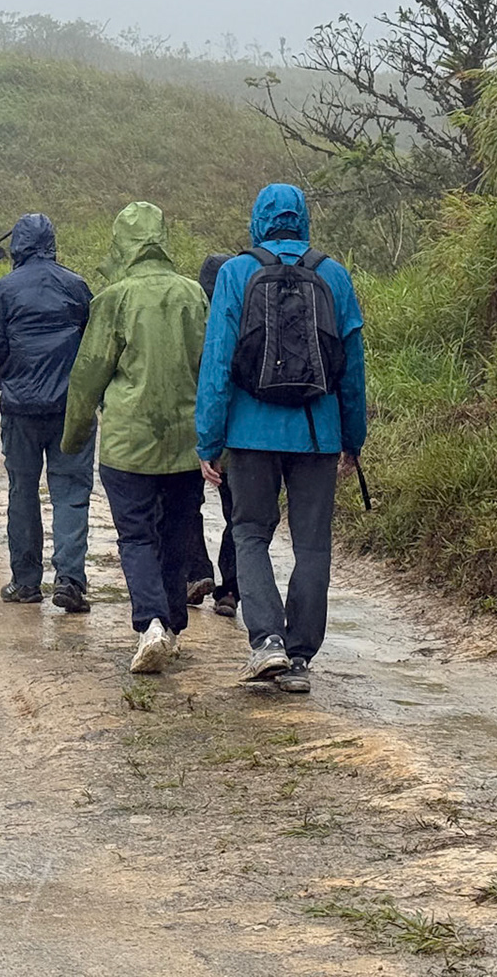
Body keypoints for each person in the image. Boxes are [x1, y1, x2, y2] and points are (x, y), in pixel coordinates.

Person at [195, 184, 367, 696]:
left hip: (251, 433)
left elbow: (218, 363)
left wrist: (209, 439)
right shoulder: (333, 275)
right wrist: (352, 439)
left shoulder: (236, 273)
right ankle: (300, 659)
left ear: (258, 220)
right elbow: (352, 367)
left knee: (250, 532)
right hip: (317, 433)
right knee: (313, 545)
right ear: (303, 220)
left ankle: (266, 640)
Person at [63, 202, 207, 674]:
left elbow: (88, 377)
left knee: (137, 535)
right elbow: (212, 367)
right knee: (177, 531)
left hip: (128, 445)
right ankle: (173, 626)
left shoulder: (113, 300)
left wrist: (75, 436)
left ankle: (151, 623)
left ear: (120, 243)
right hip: (188, 442)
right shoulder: (194, 295)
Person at [0, 213, 95, 612]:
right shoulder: (76, 284)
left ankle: (25, 582)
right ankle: (70, 580)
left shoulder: (6, 289)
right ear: (51, 242)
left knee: (23, 491)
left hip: (20, 409)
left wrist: (8, 380)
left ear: (17, 245)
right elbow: (92, 345)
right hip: (70, 408)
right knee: (70, 492)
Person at [185, 253, 240, 621]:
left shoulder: (189, 317)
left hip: (191, 427)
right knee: (236, 512)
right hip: (236, 430)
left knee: (187, 505)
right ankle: (231, 590)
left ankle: (197, 571)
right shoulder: (242, 313)